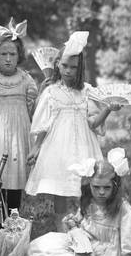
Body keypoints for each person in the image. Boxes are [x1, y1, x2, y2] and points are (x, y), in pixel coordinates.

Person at [25, 31, 124, 223]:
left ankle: (84, 225)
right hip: (58, 147)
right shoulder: (51, 92)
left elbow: (94, 123)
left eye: (73, 67)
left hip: (83, 147)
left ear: (80, 68)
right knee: (60, 188)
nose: (68, 71)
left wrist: (108, 109)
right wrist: (37, 147)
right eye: (64, 66)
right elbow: (44, 123)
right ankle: (61, 228)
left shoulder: (87, 91)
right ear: (57, 65)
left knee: (84, 186)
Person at [29, 148, 131, 256]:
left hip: (111, 252)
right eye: (96, 187)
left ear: (115, 187)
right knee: (43, 244)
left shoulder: (122, 207)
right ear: (89, 185)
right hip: (87, 249)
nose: (101, 192)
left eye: (107, 187)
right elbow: (80, 225)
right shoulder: (89, 202)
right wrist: (72, 223)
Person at [0, 19, 40, 212]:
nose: (8, 58)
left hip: (19, 134)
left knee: (15, 175)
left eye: (13, 54)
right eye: (4, 54)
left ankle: (14, 219)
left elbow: (33, 111)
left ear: (19, 56)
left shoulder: (27, 80)